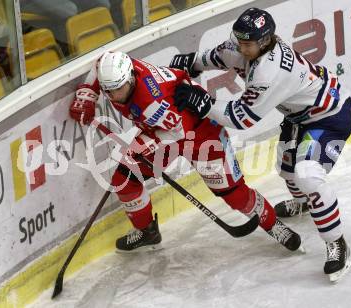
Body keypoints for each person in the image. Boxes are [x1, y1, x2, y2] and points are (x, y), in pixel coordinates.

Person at [169, 8, 351, 282]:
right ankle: (302, 203)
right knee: (285, 168)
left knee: (307, 174)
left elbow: (240, 118)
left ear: (265, 41)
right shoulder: (249, 45)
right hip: (300, 115)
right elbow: (222, 54)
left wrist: (204, 104)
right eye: (240, 41)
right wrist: (195, 62)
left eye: (247, 44)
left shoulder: (271, 71)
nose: (241, 48)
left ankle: (337, 243)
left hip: (330, 117)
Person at [69, 50, 302, 253]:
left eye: (117, 89)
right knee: (125, 178)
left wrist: (145, 147)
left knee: (232, 193)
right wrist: (88, 94)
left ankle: (273, 225)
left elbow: (177, 133)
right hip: (165, 128)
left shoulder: (152, 101)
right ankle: (147, 232)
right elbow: (101, 62)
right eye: (107, 91)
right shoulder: (120, 67)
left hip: (200, 135)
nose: (112, 96)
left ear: (130, 78)